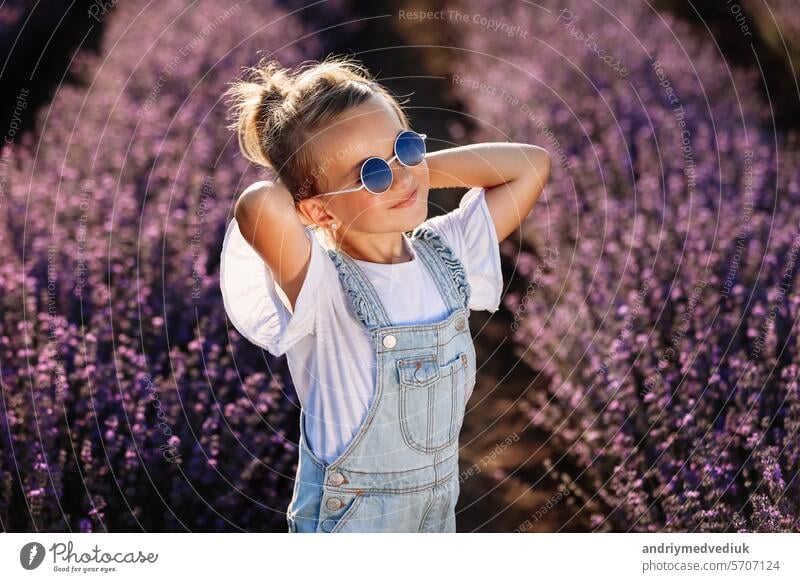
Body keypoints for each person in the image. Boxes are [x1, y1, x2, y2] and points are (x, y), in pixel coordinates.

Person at [220, 55, 551, 532]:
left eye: (405, 147)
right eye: (370, 172)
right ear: (314, 212)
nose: (398, 175)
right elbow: (258, 206)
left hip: (434, 515)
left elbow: (530, 164)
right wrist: (323, 199)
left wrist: (409, 172)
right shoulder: (322, 285)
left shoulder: (446, 251)